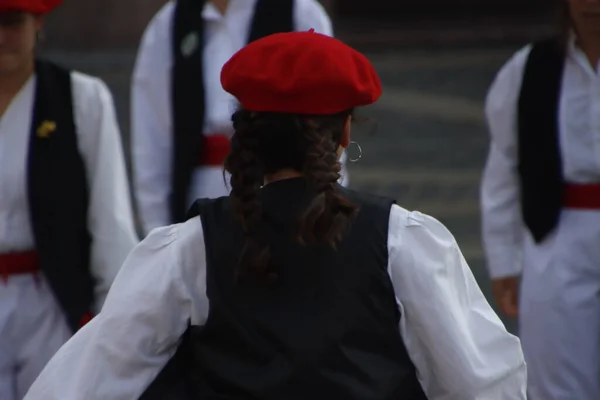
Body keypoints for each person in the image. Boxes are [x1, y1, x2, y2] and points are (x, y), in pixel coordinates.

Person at [25, 30, 526, 400]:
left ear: (245, 139)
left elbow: (77, 386)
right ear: (345, 134)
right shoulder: (402, 241)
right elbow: (484, 387)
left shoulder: (190, 248)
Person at [0, 1, 139, 398]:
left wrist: (112, 319)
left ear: (38, 22)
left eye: (11, 24)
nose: (1, 38)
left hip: (51, 300)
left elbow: (109, 219)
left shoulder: (81, 99)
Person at [131, 0, 349, 236]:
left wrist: (328, 206)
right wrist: (159, 232)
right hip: (196, 199)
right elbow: (152, 139)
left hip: (285, 197)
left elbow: (328, 121)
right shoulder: (170, 23)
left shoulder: (299, 12)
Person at [481, 0, 600, 398]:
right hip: (557, 232)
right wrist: (504, 260)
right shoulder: (530, 67)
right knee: (557, 375)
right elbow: (504, 166)